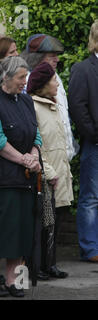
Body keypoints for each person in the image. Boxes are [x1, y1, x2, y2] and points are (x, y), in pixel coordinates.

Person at [0, 56, 42, 298]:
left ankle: (13, 280)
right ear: (6, 78)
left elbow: (36, 133)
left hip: (26, 176)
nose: (24, 82)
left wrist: (34, 154)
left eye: (25, 77)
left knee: (23, 228)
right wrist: (24, 159)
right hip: (2, 178)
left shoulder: (25, 100)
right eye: (21, 77)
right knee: (4, 228)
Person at [27, 62, 73, 278]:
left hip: (60, 172)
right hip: (47, 175)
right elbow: (37, 144)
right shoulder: (34, 107)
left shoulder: (52, 105)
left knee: (56, 219)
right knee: (45, 221)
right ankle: (39, 265)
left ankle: (50, 263)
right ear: (43, 84)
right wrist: (49, 171)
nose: (57, 84)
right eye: (54, 80)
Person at [21, 34, 78, 163]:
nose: (57, 59)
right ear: (37, 58)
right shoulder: (26, 81)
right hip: (46, 161)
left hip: (63, 157)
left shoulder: (55, 76)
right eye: (52, 56)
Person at [68, 20, 98, 263]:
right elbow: (77, 107)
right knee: (91, 198)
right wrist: (94, 135)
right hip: (95, 145)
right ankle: (91, 249)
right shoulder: (83, 69)